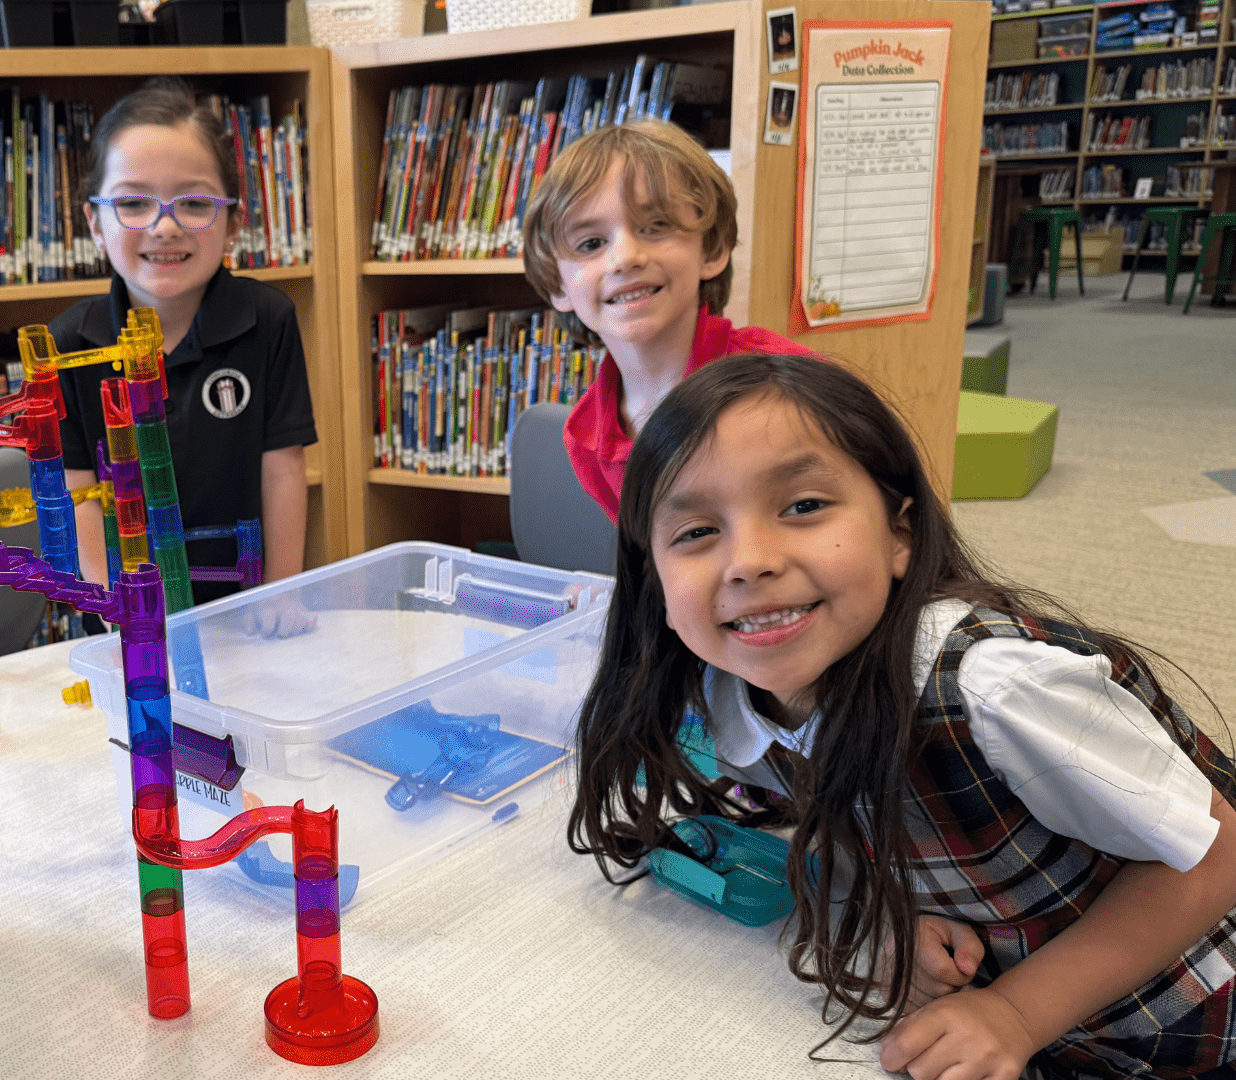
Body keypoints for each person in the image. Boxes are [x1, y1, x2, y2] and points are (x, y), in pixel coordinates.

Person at [568, 352, 1236, 1080]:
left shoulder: (994, 690)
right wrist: (906, 911)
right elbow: (863, 808)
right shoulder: (739, 699)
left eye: (802, 507)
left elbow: (1217, 856)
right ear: (652, 580)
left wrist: (1018, 1012)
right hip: (1057, 998)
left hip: (1194, 1010)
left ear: (899, 534)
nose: (749, 560)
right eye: (695, 532)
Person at [48, 76, 315, 606]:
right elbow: (78, 498)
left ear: (234, 221)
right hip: (125, 616)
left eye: (193, 203)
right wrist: (114, 610)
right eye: (134, 204)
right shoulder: (68, 343)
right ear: (94, 224)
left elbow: (283, 471)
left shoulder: (268, 319)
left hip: (245, 613)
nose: (164, 226)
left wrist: (281, 595)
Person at [521, 121, 819, 522]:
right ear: (558, 284)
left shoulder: (792, 386)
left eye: (656, 226)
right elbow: (652, 558)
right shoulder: (587, 436)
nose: (625, 257)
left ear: (711, 249)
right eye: (591, 243)